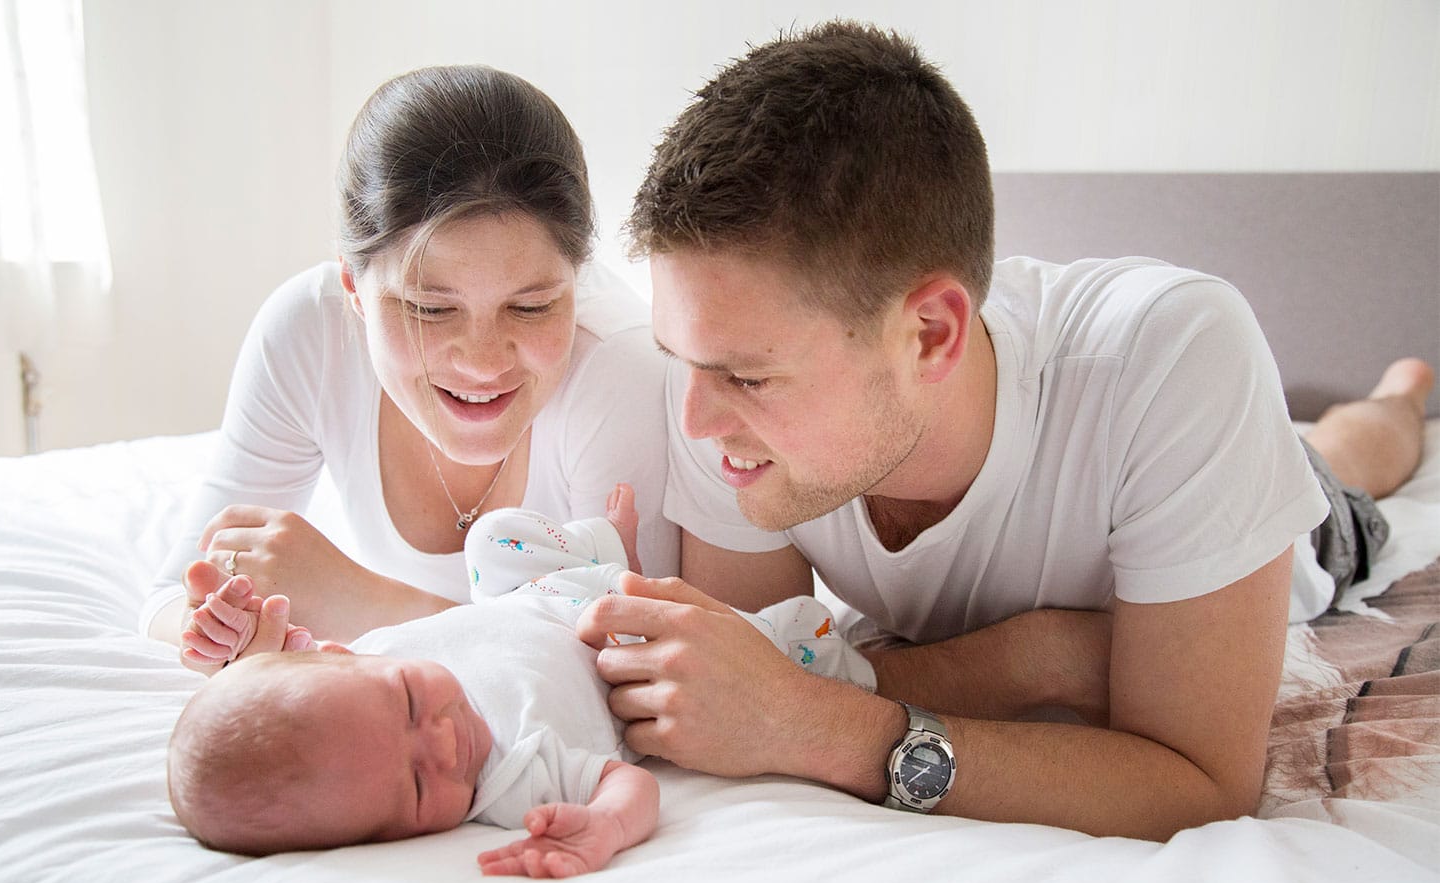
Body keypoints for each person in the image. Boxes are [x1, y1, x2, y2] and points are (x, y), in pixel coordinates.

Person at [573, 20, 1436, 841]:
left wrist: (825, 725)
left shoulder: (1173, 356)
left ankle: (1401, 394)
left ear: (931, 335)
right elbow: (749, 675)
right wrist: (1035, 658)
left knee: (1345, 462)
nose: (694, 418)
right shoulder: (722, 398)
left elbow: (1199, 785)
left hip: (1286, 527)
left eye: (749, 376)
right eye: (681, 358)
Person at [140, 65, 678, 671]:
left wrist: (354, 598)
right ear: (351, 284)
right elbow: (166, 600)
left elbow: (628, 665)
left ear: (577, 278)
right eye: (429, 308)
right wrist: (219, 626)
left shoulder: (621, 371)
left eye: (530, 307)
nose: (481, 361)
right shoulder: (308, 331)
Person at [167, 485, 870, 876]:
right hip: (626, 633)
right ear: (379, 841)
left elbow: (291, 672)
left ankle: (604, 543)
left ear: (346, 659)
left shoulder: (352, 670)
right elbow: (630, 785)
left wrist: (246, 644)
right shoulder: (510, 780)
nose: (443, 743)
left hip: (536, 589)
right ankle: (851, 667)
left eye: (410, 703)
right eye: (416, 788)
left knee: (492, 537)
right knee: (796, 635)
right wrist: (605, 825)